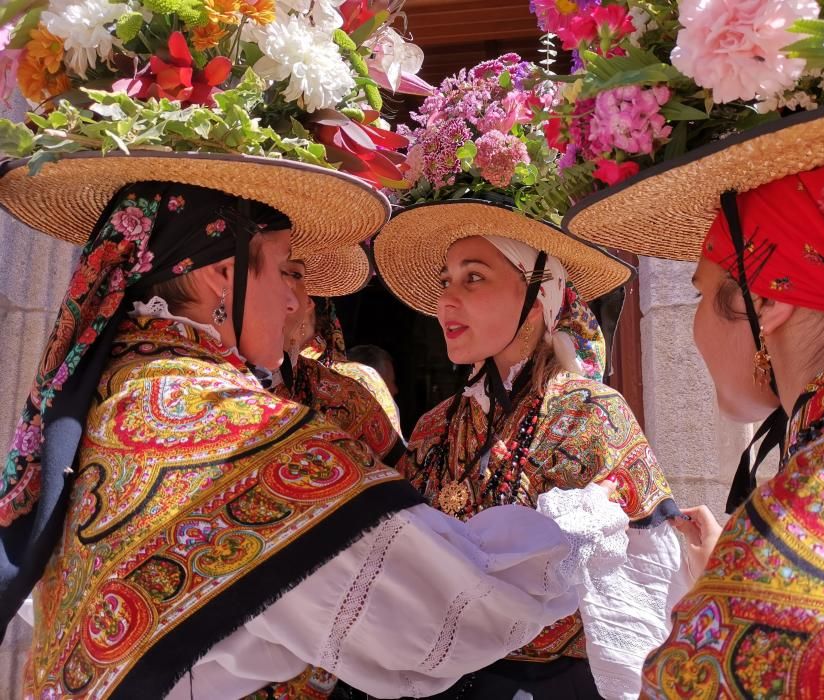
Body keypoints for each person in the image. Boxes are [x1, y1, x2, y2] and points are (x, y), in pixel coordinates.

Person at [0, 153, 614, 700]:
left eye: (474, 279)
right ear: (221, 276)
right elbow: (429, 616)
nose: (297, 301)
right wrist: (574, 539)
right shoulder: (228, 428)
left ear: (541, 296)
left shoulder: (121, 397)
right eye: (283, 269)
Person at [564, 81, 824, 696]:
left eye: (706, 292)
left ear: (763, 300)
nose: (697, 324)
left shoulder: (813, 512)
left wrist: (741, 575)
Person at [375, 198, 691, 698]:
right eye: (444, 281)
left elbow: (635, 585)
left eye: (473, 278)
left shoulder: (590, 414)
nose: (446, 301)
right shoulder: (435, 428)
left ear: (540, 292)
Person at [275, 257, 404, 468]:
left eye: (295, 276)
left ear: (309, 304)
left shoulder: (351, 388)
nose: (284, 293)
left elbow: (398, 474)